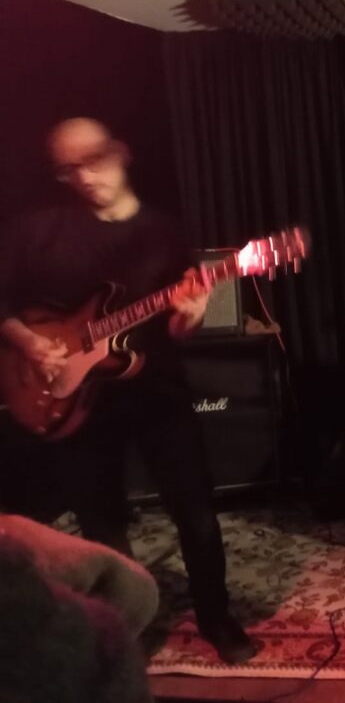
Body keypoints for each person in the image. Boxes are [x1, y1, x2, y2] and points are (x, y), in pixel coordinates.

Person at [0, 117, 256, 664]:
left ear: (120, 152)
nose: (83, 177)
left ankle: (216, 615)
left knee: (196, 512)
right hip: (74, 403)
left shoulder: (163, 232)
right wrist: (29, 343)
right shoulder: (37, 229)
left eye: (92, 160)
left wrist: (189, 316)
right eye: (68, 169)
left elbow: (177, 327)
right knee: (101, 522)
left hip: (157, 391)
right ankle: (122, 628)